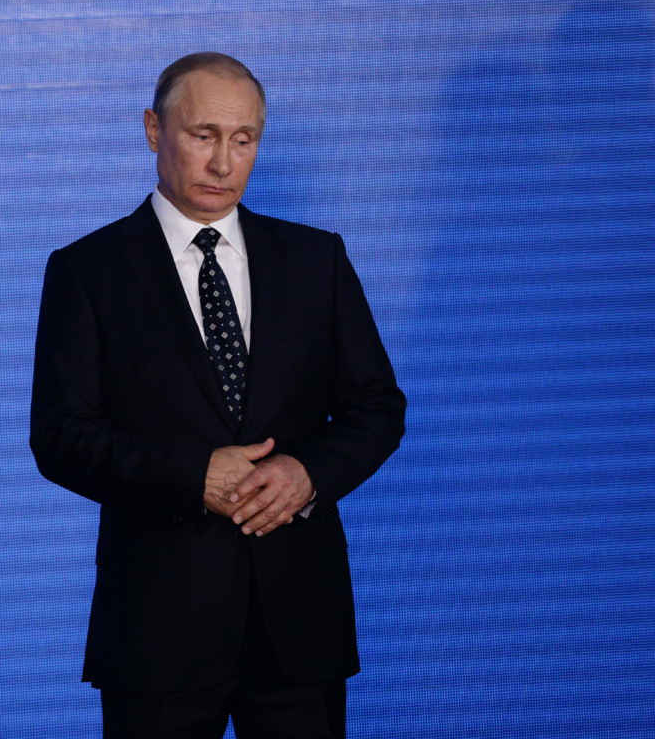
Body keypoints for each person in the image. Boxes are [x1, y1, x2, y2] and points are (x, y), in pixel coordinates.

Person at [29, 52, 406, 738]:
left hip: (299, 623)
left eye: (243, 139)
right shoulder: (88, 271)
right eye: (203, 135)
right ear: (153, 130)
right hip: (159, 627)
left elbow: (377, 406)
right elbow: (61, 436)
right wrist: (191, 476)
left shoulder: (315, 259)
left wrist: (306, 472)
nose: (224, 162)